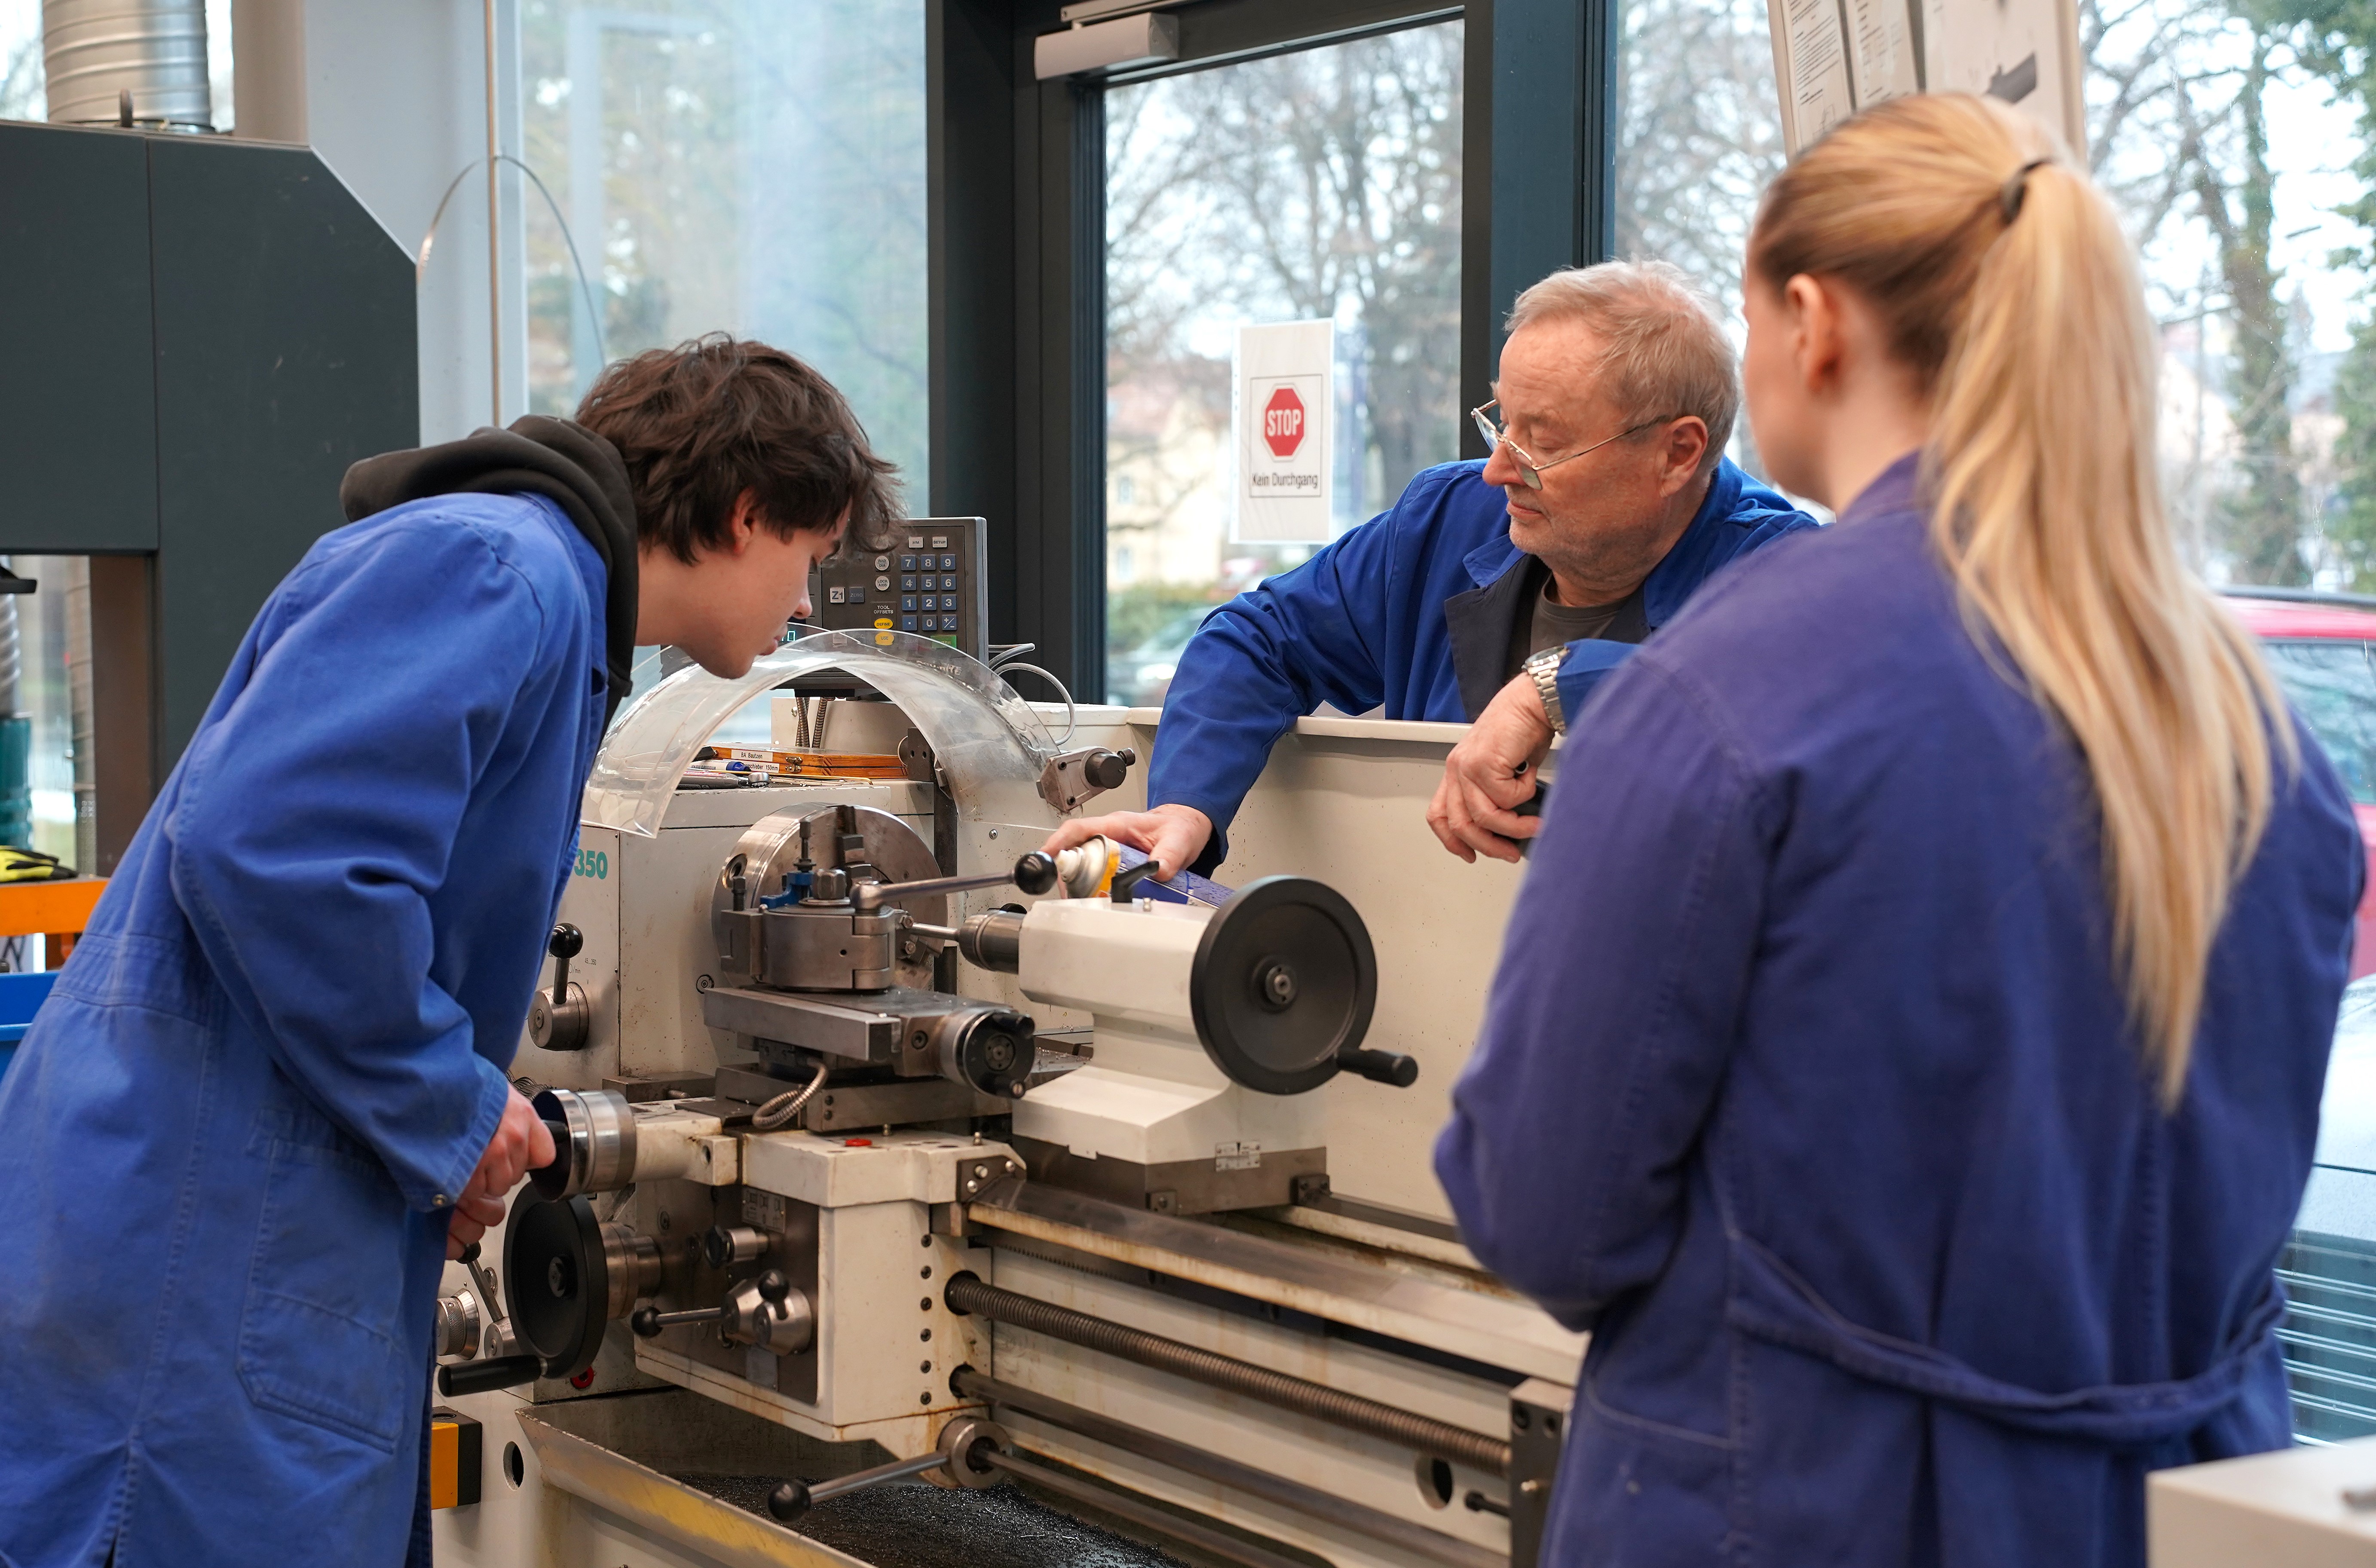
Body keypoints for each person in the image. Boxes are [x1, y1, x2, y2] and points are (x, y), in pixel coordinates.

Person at [1435, 93, 2363, 1567]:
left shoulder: (1721, 695)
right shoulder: (2252, 732)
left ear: (1810, 322)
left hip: (1802, 1506)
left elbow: (1541, 1210)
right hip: (2181, 1509)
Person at [0, 336, 896, 1568]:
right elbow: (282, 859)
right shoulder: (496, 571)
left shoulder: (551, 607)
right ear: (747, 514)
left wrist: (452, 1124)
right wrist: (452, 1105)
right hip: (194, 1271)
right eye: (811, 558)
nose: (805, 604)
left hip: (255, 1245)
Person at [1050, 260, 1818, 880]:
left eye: (1542, 441)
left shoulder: (1780, 567)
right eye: (1500, 422)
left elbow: (1781, 690)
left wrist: (1550, 687)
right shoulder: (1446, 522)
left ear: (1677, 453)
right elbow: (1260, 637)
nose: (1497, 471)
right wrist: (1188, 809)